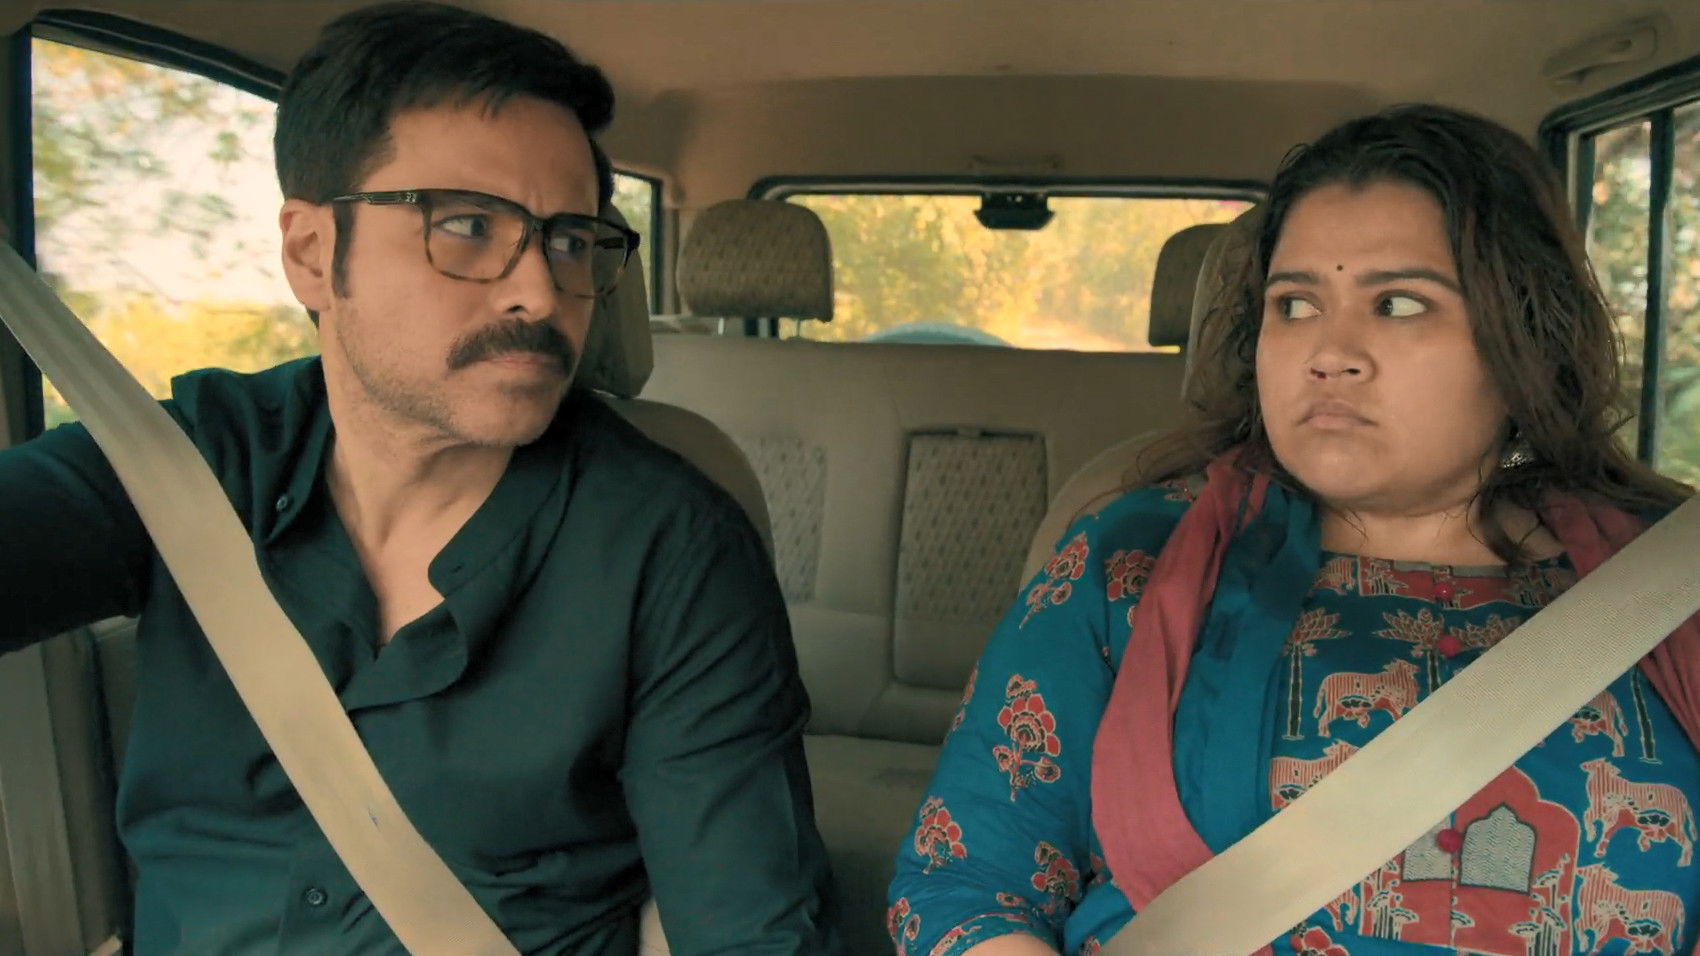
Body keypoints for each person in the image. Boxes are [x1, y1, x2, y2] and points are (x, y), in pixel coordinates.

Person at [0, 4, 840, 953]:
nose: (539, 291)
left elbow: (750, 931)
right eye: (468, 226)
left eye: (570, 240)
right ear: (312, 254)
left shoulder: (669, 547)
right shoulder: (183, 464)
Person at [887, 104, 1699, 956]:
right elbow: (963, 887)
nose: (1328, 351)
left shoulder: (1665, 583)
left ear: (1522, 335)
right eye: (1296, 304)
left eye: (1397, 303)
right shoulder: (1133, 562)